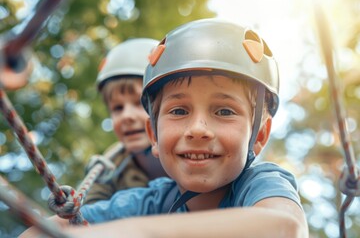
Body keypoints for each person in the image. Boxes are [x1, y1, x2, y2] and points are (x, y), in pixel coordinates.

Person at [20, 19, 308, 238]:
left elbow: (284, 227)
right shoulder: (151, 198)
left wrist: (130, 233)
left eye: (224, 111)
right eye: (179, 111)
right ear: (153, 135)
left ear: (258, 136)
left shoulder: (260, 183)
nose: (198, 129)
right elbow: (43, 231)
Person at [84, 38, 168, 204]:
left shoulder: (189, 151)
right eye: (117, 108)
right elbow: (88, 209)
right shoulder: (109, 165)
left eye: (139, 103)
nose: (126, 116)